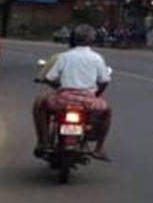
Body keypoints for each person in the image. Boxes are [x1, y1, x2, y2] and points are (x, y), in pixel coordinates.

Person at [33, 24, 113, 161]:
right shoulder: (97, 58)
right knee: (107, 111)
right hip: (88, 100)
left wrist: (58, 88)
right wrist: (96, 94)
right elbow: (105, 80)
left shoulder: (64, 56)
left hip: (64, 99)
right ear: (92, 39)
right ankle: (99, 148)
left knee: (40, 105)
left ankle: (44, 142)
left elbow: (49, 78)